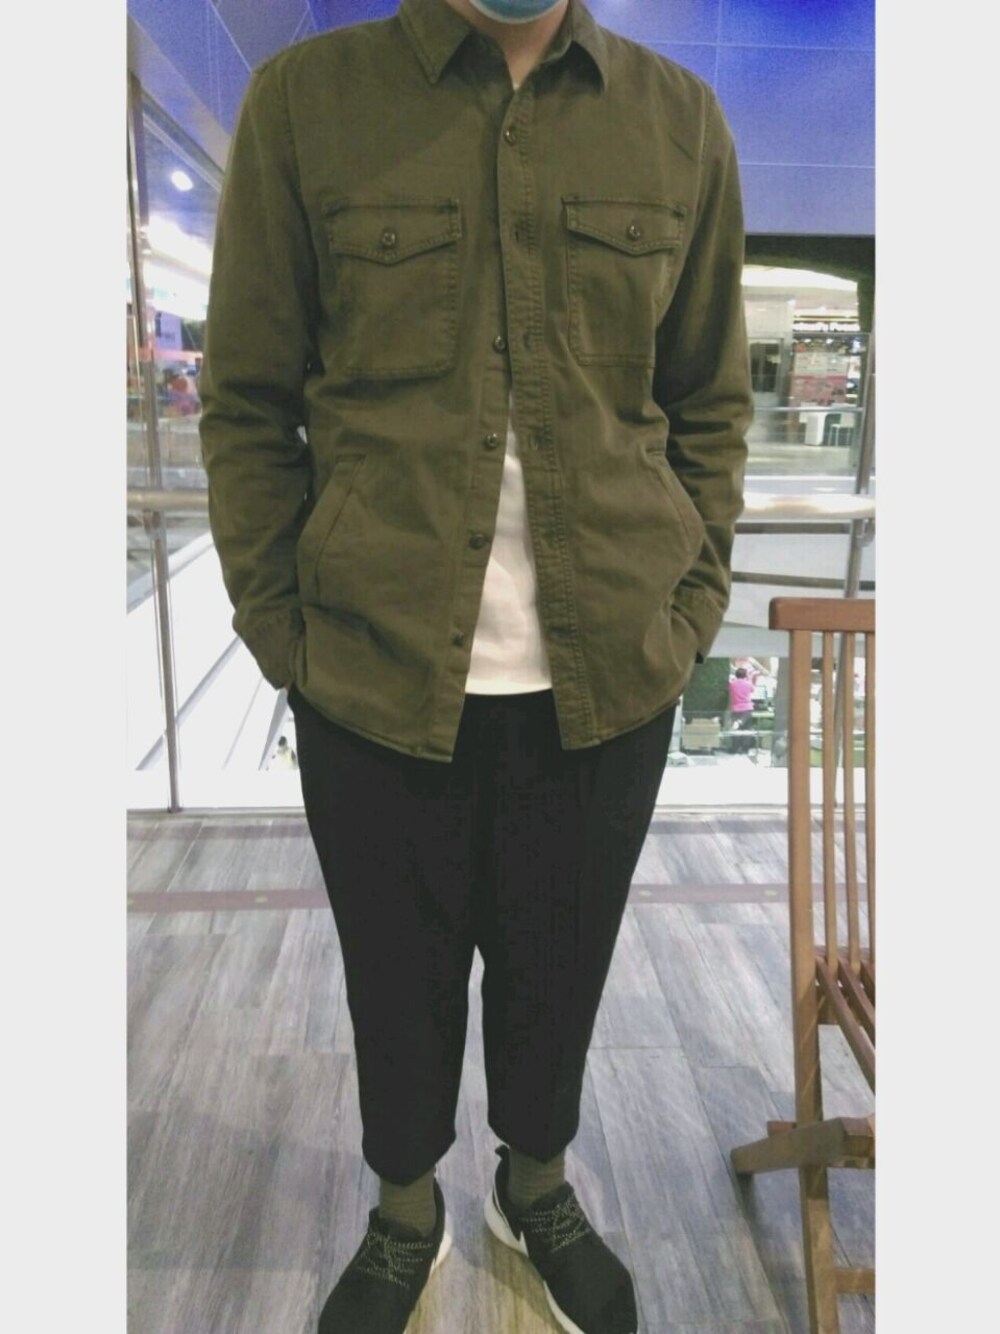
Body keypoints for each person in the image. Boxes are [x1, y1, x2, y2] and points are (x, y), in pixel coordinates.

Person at [199, 2, 751, 1331]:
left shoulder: (679, 122)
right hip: (372, 672)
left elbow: (709, 401)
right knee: (395, 977)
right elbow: (247, 401)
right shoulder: (304, 105)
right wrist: (282, 629)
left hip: (610, 673)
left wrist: (688, 608)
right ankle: (406, 1211)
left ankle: (536, 1187)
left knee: (562, 966)